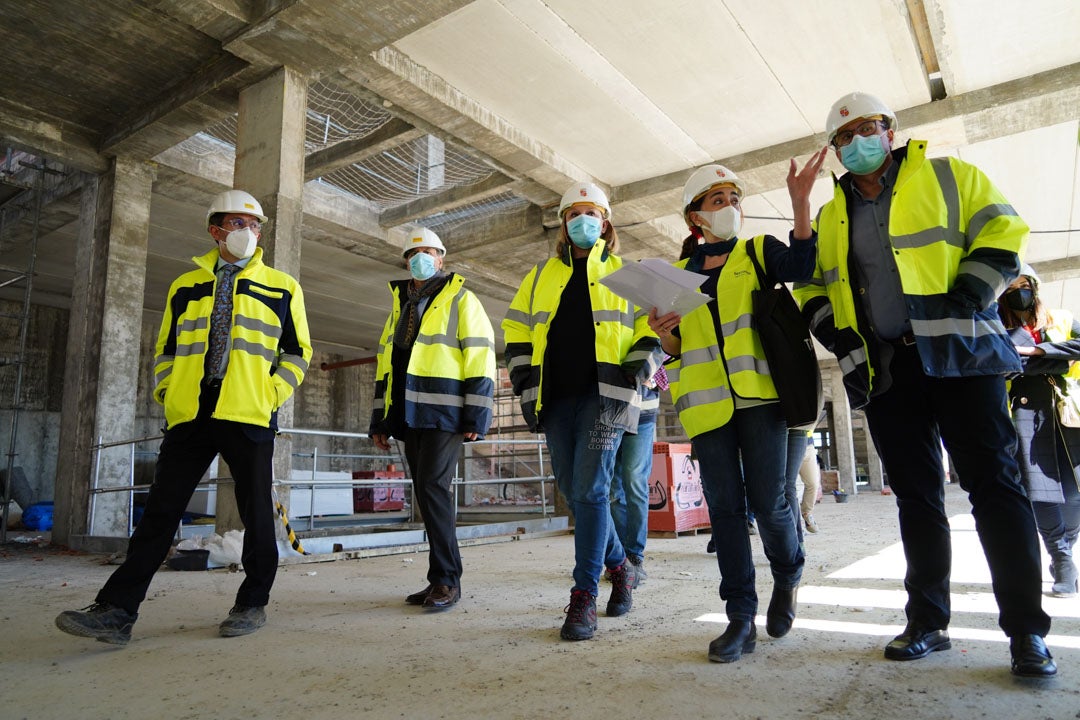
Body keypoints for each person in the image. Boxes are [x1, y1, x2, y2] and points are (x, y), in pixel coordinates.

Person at [792, 91, 1056, 677]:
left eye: (869, 128)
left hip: (961, 353)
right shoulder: (833, 214)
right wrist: (835, 336)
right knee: (917, 497)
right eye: (846, 136)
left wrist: (970, 293)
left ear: (890, 130)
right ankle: (928, 622)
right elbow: (810, 284)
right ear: (836, 150)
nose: (859, 141)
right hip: (886, 370)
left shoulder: (947, 174)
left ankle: (1026, 635)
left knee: (995, 490)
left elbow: (1005, 232)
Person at [55, 189, 312, 645]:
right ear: (215, 230)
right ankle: (117, 611)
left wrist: (273, 391)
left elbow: (297, 351)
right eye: (238, 224)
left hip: (249, 411)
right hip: (191, 413)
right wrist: (167, 389)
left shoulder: (283, 286)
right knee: (160, 512)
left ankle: (252, 603)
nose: (248, 233)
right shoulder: (185, 285)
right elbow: (167, 349)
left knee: (255, 514)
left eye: (255, 226)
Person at [648, 158, 824, 663]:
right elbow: (679, 349)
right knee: (725, 513)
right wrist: (667, 337)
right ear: (694, 219)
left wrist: (799, 202)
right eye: (717, 201)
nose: (729, 208)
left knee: (770, 504)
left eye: (733, 200)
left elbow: (802, 265)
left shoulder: (756, 252)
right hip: (706, 410)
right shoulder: (676, 277)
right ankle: (740, 617)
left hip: (761, 399)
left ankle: (788, 572)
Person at [502, 182, 662, 641]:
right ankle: (621, 566)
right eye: (576, 212)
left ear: (606, 223)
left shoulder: (628, 274)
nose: (584, 220)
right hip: (553, 397)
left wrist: (636, 373)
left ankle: (584, 596)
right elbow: (515, 330)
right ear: (562, 220)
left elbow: (654, 333)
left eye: (593, 212)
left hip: (607, 396)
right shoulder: (539, 276)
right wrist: (523, 381)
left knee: (593, 489)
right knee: (574, 491)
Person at [369, 228, 496, 611]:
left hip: (446, 412)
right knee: (425, 492)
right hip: (409, 413)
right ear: (407, 261)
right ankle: (438, 579)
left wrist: (477, 412)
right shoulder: (401, 305)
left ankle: (446, 581)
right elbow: (386, 367)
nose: (421, 258)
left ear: (441, 258)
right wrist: (380, 420)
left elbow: (480, 355)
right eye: (414, 253)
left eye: (428, 252)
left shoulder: (461, 299)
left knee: (433, 487)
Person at [998, 265, 1080, 598]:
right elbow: (1003, 363)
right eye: (1012, 287)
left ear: (1034, 287)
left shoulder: (1060, 318)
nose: (1020, 292)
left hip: (1068, 411)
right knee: (1041, 492)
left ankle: (1067, 549)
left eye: (1024, 285)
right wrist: (1057, 358)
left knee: (1074, 491)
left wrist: (1035, 352)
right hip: (1026, 412)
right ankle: (1062, 559)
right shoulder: (997, 326)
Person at [609, 364, 665, 581]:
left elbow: (666, 354)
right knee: (613, 487)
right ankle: (619, 559)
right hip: (610, 411)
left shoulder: (648, 330)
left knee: (634, 480)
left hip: (642, 410)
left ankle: (634, 555)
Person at [786, 429, 821, 535]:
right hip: (790, 444)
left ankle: (807, 513)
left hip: (808, 444)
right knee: (793, 488)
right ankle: (797, 525)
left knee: (813, 483)